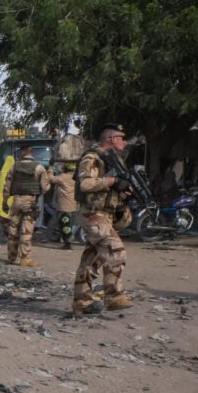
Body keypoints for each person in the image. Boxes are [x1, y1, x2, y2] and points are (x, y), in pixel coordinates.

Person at [72, 123, 134, 315]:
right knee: (116, 250)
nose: (124, 142)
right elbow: (85, 184)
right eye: (121, 138)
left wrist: (121, 192)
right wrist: (113, 181)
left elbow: (106, 188)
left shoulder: (112, 161)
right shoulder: (92, 158)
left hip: (105, 214)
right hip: (92, 213)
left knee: (91, 261)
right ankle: (113, 295)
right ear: (112, 139)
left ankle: (81, 303)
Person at [3, 145, 50, 266]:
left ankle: (11, 257)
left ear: (23, 153)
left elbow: (7, 185)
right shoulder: (39, 167)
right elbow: (46, 187)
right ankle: (25, 258)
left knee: (13, 229)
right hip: (30, 201)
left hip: (16, 200)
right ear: (31, 153)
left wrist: (5, 201)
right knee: (26, 230)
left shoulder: (14, 166)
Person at [49, 161, 78, 249]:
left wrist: (50, 166)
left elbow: (50, 179)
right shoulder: (76, 177)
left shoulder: (63, 177)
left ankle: (68, 243)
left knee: (65, 225)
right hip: (74, 205)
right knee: (70, 224)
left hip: (64, 206)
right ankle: (67, 242)